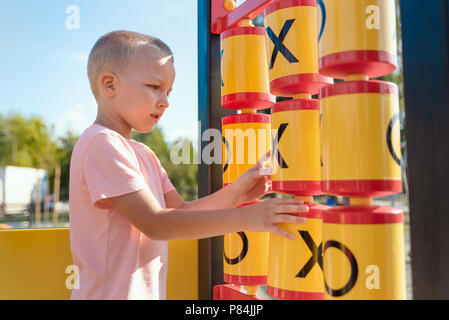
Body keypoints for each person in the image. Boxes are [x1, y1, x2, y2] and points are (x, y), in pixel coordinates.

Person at [68, 30, 308, 300]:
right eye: (154, 86)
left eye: (168, 92)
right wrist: (247, 219)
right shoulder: (100, 143)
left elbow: (180, 212)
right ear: (110, 85)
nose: (165, 102)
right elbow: (156, 224)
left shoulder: (144, 154)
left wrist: (237, 193)